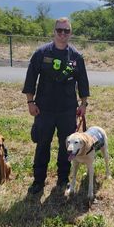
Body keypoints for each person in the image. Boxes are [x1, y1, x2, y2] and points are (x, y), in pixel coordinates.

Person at [23, 17, 90, 194]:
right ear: (54, 32)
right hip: (44, 108)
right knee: (42, 144)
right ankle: (38, 181)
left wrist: (83, 104)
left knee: (66, 146)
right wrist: (30, 102)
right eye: (59, 30)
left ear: (70, 33)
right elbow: (30, 79)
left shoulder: (76, 57)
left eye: (66, 31)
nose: (62, 34)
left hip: (68, 109)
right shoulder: (41, 53)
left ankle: (62, 179)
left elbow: (83, 82)